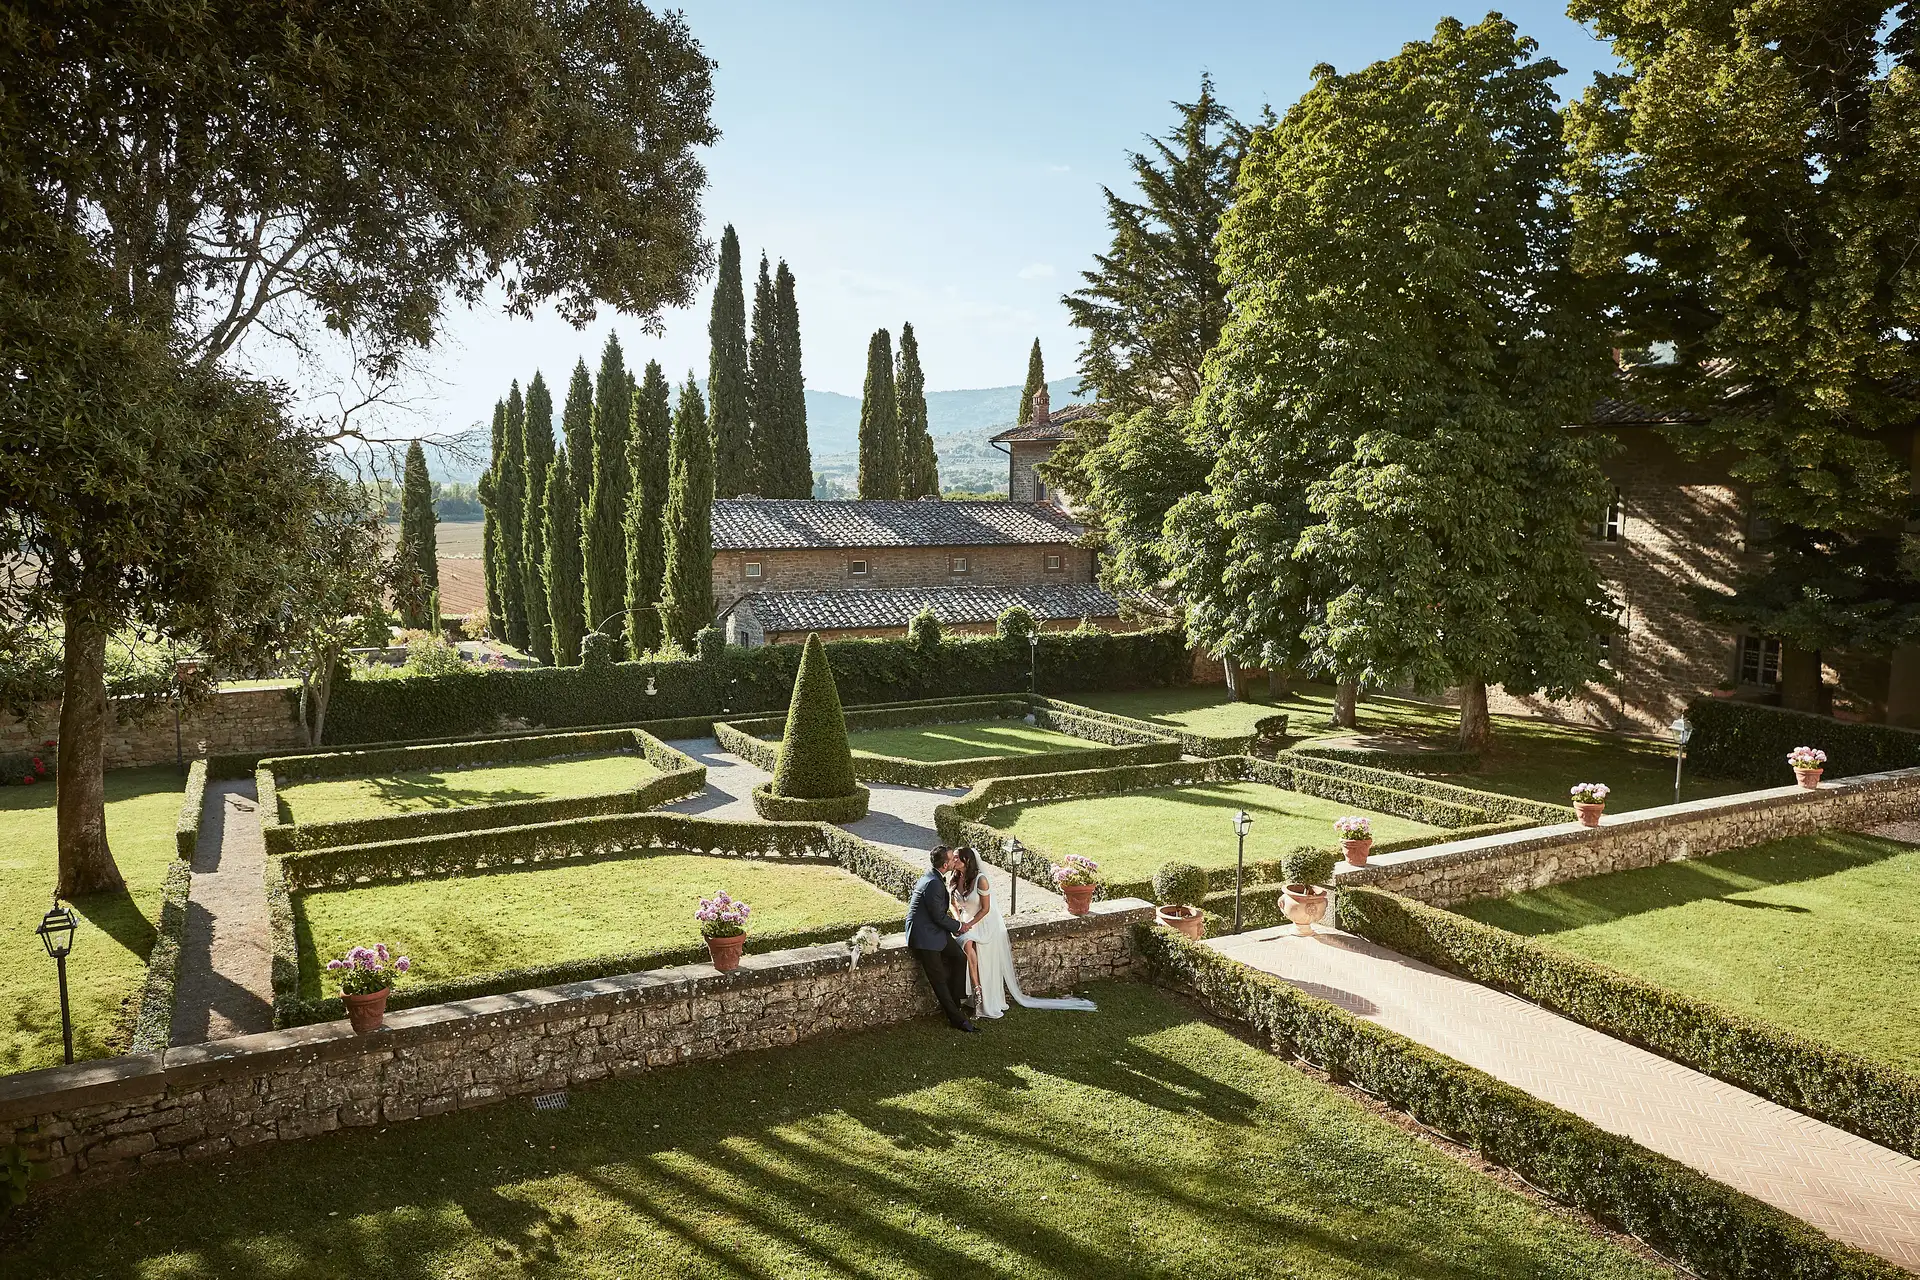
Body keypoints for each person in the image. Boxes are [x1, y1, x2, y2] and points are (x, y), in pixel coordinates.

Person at [948, 845, 1097, 1019]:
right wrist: (959, 920)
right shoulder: (954, 876)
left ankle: (982, 997)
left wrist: (968, 925)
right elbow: (952, 902)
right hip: (965, 922)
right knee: (967, 947)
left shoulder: (981, 880)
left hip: (982, 924)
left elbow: (986, 909)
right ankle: (974, 994)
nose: (954, 860)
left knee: (972, 948)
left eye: (957, 857)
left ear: (967, 860)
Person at [905, 845, 979, 1033]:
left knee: (959, 958)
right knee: (938, 981)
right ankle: (957, 1019)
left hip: (936, 931)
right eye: (952, 858)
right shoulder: (933, 883)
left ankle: (956, 1000)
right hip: (925, 937)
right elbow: (938, 916)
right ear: (945, 864)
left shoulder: (934, 877)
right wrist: (959, 926)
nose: (955, 860)